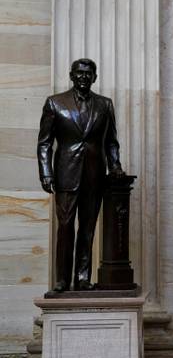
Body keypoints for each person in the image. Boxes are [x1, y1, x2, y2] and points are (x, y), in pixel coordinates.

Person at [37, 58, 124, 292]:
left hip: (94, 176)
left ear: (94, 77)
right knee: (65, 227)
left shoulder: (105, 105)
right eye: (79, 73)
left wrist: (115, 166)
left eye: (88, 74)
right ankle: (62, 280)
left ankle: (82, 277)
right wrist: (46, 173)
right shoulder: (55, 103)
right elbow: (45, 143)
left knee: (88, 228)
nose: (84, 77)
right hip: (66, 175)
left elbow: (111, 142)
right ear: (72, 76)